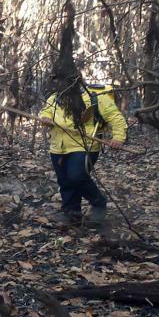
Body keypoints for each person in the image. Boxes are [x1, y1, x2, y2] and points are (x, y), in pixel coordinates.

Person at [39, 76, 127, 228]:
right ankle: (72, 214)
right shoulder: (55, 97)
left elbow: (115, 117)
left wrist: (118, 137)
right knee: (65, 181)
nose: (59, 83)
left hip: (85, 145)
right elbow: (45, 112)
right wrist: (45, 118)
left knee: (76, 177)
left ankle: (99, 203)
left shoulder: (96, 96)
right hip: (58, 146)